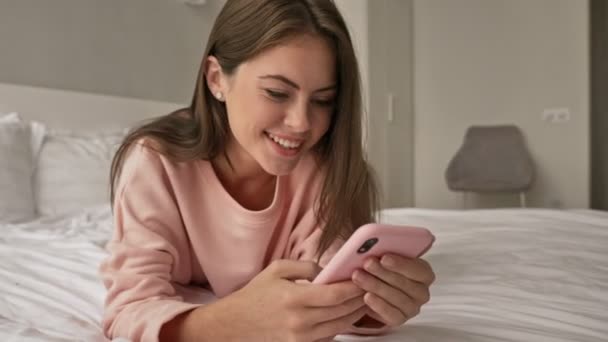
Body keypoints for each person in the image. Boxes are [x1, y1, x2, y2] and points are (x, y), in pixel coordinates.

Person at [99, 0, 435, 341]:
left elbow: (327, 278)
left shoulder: (322, 169)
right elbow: (129, 310)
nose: (301, 123)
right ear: (217, 79)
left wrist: (373, 305)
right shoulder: (156, 162)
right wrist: (230, 322)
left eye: (322, 100)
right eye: (277, 93)